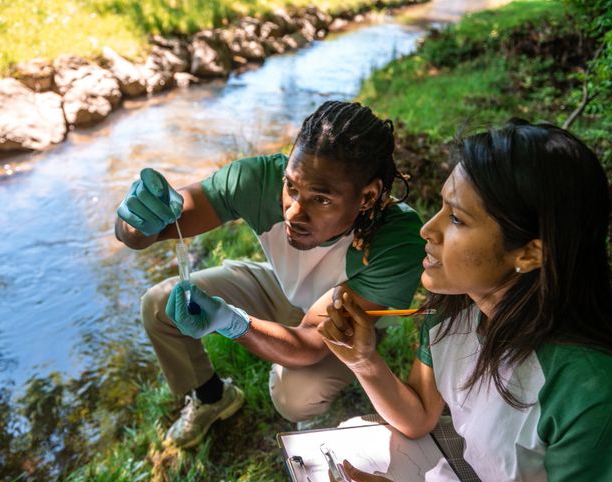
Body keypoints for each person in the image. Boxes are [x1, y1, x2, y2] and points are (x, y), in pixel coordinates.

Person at [318, 119, 612, 482]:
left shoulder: (595, 390)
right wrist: (364, 361)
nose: (427, 229)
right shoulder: (456, 313)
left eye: (456, 219)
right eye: (440, 207)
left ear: (528, 253)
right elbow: (417, 418)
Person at [114, 101, 426, 448]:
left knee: (294, 396)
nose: (294, 213)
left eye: (320, 200)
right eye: (291, 187)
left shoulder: (398, 239)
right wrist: (134, 221)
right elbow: (160, 227)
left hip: (347, 326)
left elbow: (308, 343)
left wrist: (230, 321)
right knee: (159, 302)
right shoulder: (258, 179)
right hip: (280, 287)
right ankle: (212, 396)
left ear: (367, 196)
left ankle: (321, 405)